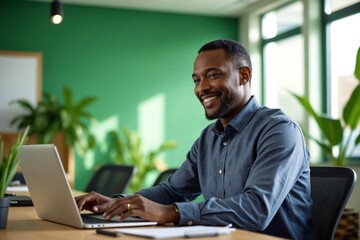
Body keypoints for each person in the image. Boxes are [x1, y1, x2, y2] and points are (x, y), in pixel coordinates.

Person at [75, 39, 313, 239]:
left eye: (212, 75)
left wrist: (173, 213)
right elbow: (171, 191)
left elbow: (256, 209)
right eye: (197, 80)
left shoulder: (279, 130)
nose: (202, 88)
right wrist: (117, 203)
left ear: (244, 75)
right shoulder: (209, 138)